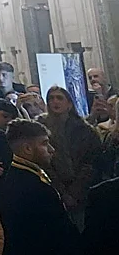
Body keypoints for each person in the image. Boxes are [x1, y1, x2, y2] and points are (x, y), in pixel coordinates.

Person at [0, 120, 80, 254]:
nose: (51, 149)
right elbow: (58, 234)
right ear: (27, 149)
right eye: (45, 143)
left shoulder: (16, 176)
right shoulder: (35, 187)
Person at [37, 85, 102, 224]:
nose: (55, 102)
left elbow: (91, 162)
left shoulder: (85, 130)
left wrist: (74, 192)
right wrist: (62, 192)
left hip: (82, 189)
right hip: (52, 189)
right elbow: (42, 162)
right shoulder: (39, 129)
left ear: (69, 104)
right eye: (51, 98)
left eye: (59, 98)